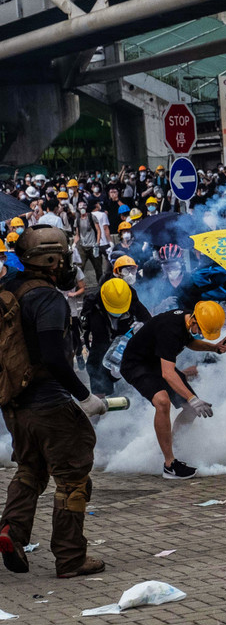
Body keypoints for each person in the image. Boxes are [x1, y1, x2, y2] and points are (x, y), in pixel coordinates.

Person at [0, 225, 108, 578]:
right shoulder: (47, 298)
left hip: (16, 405)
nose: (68, 265)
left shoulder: (9, 289)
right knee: (73, 478)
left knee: (30, 470)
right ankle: (70, 558)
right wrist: (85, 396)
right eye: (63, 258)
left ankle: (10, 533)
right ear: (50, 260)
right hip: (49, 403)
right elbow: (52, 354)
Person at [119, 301, 226, 480]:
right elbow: (168, 374)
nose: (202, 334)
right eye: (201, 329)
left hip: (155, 361)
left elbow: (190, 342)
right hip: (136, 364)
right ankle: (170, 465)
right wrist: (192, 398)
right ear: (193, 320)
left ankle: (170, 448)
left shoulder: (188, 318)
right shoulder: (170, 330)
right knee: (162, 402)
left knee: (191, 408)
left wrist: (213, 347)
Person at [82, 277, 150, 396]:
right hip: (103, 346)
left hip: (128, 342)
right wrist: (112, 374)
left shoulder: (132, 300)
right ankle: (102, 404)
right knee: (98, 372)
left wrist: (142, 326)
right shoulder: (94, 310)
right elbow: (99, 347)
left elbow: (149, 321)